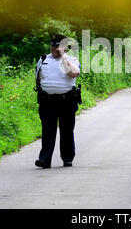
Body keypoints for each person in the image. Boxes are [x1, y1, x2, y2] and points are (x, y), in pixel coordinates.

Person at [34, 34, 81, 169]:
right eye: (53, 46)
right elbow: (38, 79)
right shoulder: (43, 59)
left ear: (65, 48)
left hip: (67, 100)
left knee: (66, 131)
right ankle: (44, 159)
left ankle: (67, 158)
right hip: (47, 101)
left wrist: (63, 57)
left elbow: (73, 73)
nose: (55, 49)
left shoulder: (72, 59)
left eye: (59, 46)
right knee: (47, 131)